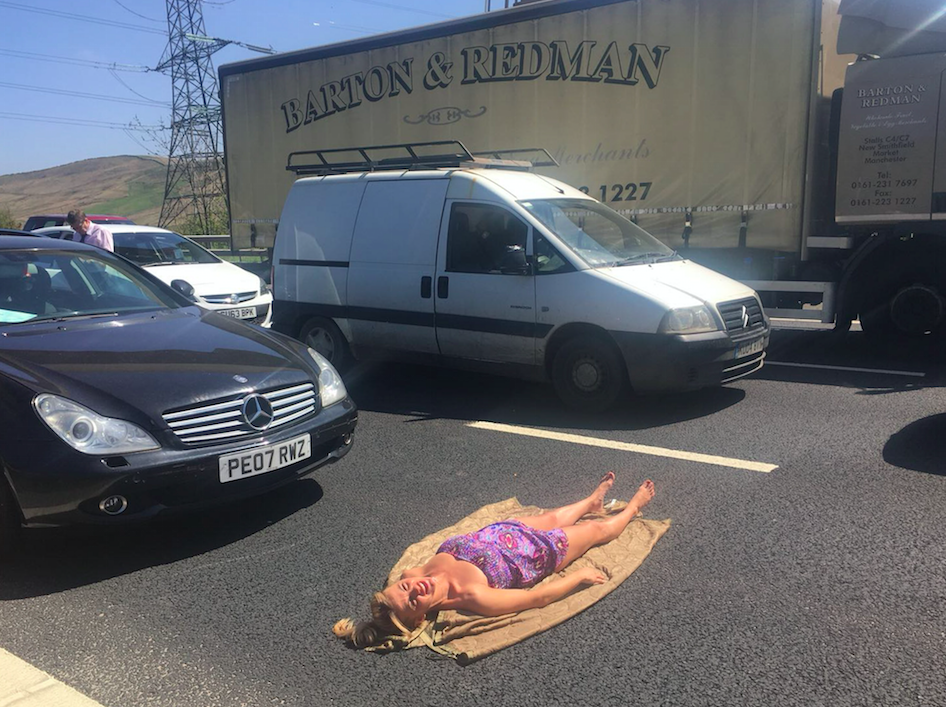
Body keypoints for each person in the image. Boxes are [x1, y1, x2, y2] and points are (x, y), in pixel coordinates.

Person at [334, 472, 655, 648]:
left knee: (556, 514)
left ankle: (591, 500)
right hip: (540, 551)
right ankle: (633, 508)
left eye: (404, 587)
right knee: (597, 530)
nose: (414, 588)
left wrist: (376, 618)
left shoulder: (412, 572)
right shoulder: (472, 596)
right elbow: (535, 599)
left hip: (503, 531)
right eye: (414, 601)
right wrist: (578, 576)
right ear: (420, 619)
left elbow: (396, 596)